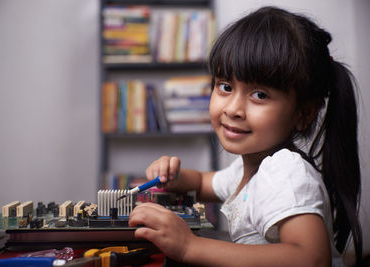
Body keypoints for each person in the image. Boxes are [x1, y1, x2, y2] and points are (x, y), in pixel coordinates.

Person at [128, 6, 363, 267]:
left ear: (303, 113)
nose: (233, 109)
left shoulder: (285, 172)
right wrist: (173, 177)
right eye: (225, 87)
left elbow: (310, 258)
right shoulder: (250, 168)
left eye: (260, 95)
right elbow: (204, 183)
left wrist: (189, 246)